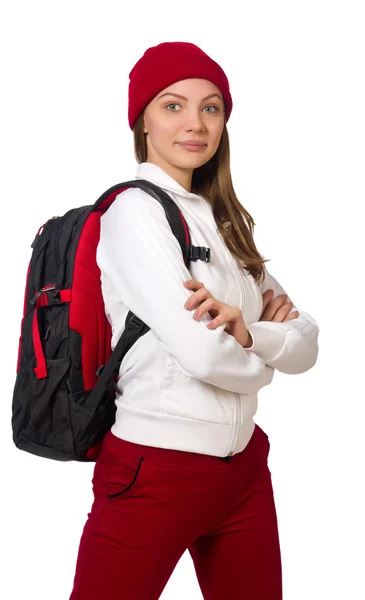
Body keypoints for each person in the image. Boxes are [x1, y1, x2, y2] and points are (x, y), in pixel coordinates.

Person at [68, 41, 319, 600]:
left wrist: (251, 334)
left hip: (244, 470)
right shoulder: (135, 212)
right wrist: (266, 359)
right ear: (143, 121)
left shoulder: (225, 223)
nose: (196, 123)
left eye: (211, 108)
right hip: (156, 469)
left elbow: (307, 342)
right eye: (172, 105)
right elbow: (205, 355)